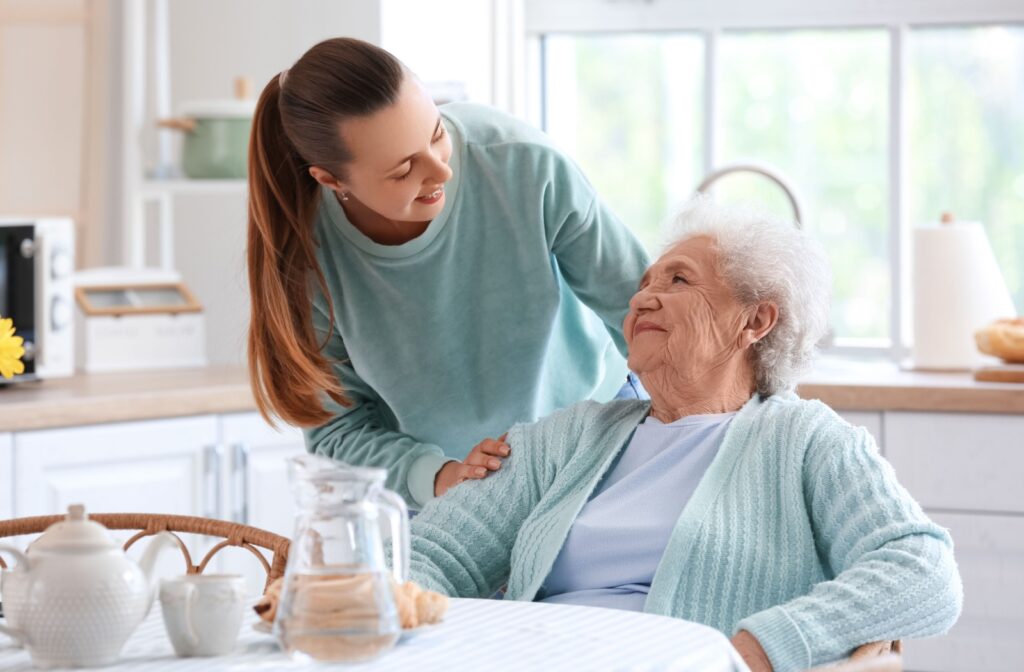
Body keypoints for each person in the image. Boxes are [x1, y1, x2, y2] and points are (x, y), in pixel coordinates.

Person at [406, 198, 962, 671]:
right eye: (644, 284)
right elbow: (427, 555)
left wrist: (758, 648)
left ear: (755, 321)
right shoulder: (566, 437)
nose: (642, 298)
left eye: (678, 280)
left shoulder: (806, 440)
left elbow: (923, 570)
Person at [246, 38, 650, 508]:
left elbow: (642, 309)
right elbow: (339, 431)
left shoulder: (521, 163)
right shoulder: (309, 263)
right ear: (331, 180)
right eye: (403, 170)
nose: (442, 171)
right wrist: (441, 477)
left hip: (596, 435)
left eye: (437, 133)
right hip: (455, 496)